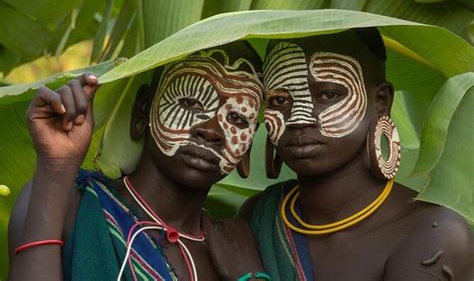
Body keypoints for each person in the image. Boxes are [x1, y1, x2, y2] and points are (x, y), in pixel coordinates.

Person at [207, 29, 474, 280]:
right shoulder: (261, 214)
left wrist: (250, 274)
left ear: (381, 101)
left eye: (328, 94)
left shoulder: (434, 233)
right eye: (280, 100)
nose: (299, 118)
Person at [7, 42, 268, 281]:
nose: (211, 130)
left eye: (237, 118)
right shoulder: (67, 203)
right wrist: (56, 167)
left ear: (248, 148)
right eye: (190, 103)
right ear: (143, 110)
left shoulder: (237, 250)